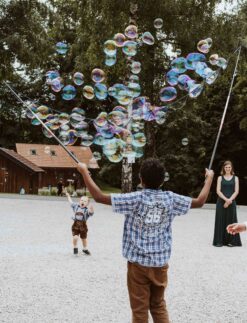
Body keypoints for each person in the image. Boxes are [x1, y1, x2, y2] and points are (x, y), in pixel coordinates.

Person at [76, 158, 214, 323]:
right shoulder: (170, 199)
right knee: (158, 306)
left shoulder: (135, 199)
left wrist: (84, 172)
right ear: (163, 181)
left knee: (140, 310)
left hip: (138, 265)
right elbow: (200, 201)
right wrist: (209, 178)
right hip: (160, 264)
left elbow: (98, 197)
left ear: (141, 179)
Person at [213, 160, 242, 247]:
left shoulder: (235, 178)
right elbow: (218, 191)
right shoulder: (220, 178)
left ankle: (232, 241)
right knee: (220, 220)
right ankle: (219, 241)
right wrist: (226, 200)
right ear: (224, 168)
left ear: (231, 168)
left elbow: (236, 191)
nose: (228, 169)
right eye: (226, 167)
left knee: (231, 220)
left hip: (232, 202)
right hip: (221, 202)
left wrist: (229, 201)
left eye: (229, 167)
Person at [65, 190, 94, 255]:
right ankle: (75, 247)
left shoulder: (87, 210)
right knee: (75, 237)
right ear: (79, 201)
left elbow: (91, 213)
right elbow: (71, 202)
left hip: (83, 226)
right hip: (75, 225)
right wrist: (68, 196)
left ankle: (85, 249)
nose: (83, 202)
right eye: (82, 200)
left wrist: (91, 210)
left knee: (83, 238)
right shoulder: (76, 206)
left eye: (85, 201)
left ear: (87, 204)